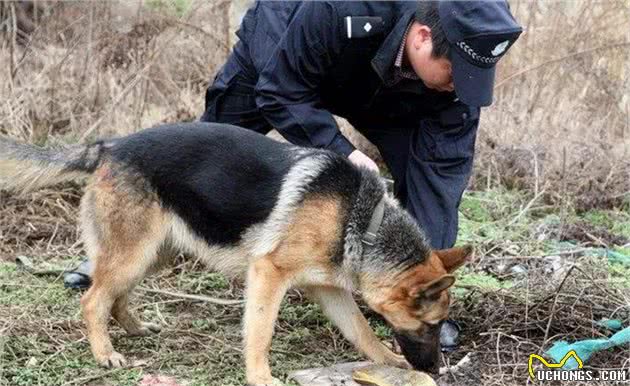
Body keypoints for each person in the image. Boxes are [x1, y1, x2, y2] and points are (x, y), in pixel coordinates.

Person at [66, 0, 521, 345]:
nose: (462, 87)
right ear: (422, 37)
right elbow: (282, 90)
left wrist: (418, 280)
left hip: (399, 93)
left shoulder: (453, 82)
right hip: (285, 53)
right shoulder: (340, 8)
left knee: (433, 175)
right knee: (206, 154)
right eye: (456, 72)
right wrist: (341, 151)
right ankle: (114, 255)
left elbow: (440, 176)